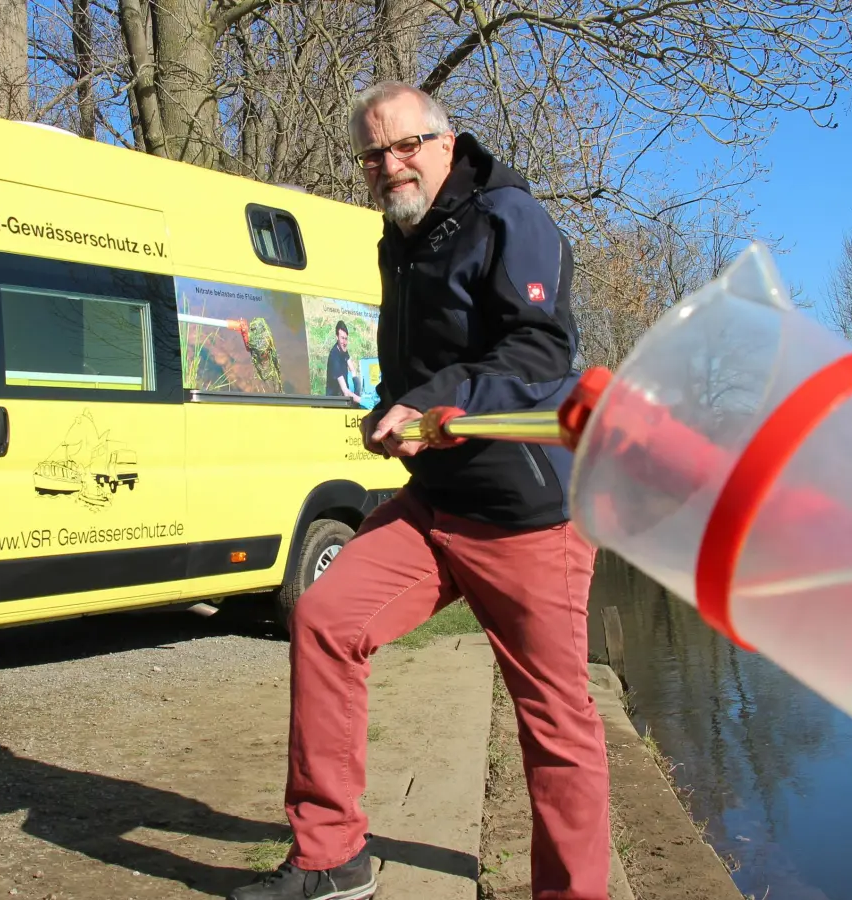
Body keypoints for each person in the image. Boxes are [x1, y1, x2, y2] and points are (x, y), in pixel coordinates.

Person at [229, 82, 610, 900]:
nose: (388, 165)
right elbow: (423, 362)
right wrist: (390, 408)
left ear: (446, 142)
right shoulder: (400, 233)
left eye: (404, 146)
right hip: (437, 501)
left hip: (526, 513)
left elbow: (540, 353)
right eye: (373, 153)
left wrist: (442, 404)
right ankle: (331, 856)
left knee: (555, 720)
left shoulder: (513, 219)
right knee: (326, 618)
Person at [325, 320, 360, 402]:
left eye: (346, 339)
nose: (344, 342)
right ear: (337, 337)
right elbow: (345, 391)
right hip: (333, 402)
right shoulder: (334, 357)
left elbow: (353, 370)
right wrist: (361, 400)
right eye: (342, 338)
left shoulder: (343, 350)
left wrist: (357, 387)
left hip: (343, 398)